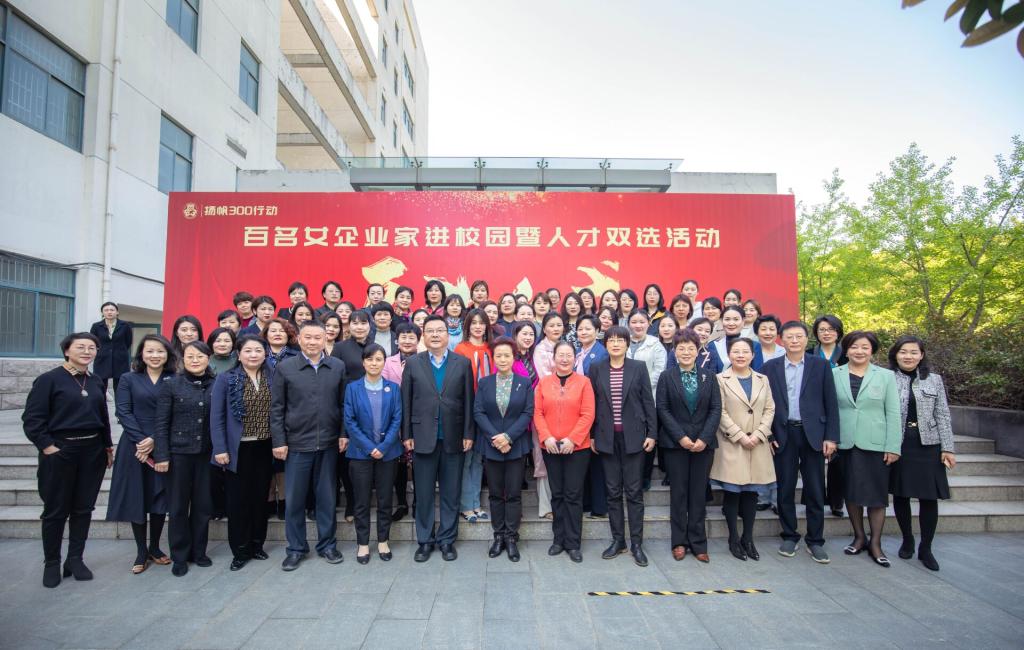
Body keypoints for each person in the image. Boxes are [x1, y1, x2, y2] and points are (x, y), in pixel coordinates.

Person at [23, 332, 113, 588]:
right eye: (81, 347)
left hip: (92, 450)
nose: (87, 351)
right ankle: (52, 562)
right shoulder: (49, 380)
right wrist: (48, 447)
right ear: (66, 351)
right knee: (55, 510)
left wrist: (107, 446)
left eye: (92, 348)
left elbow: (103, 416)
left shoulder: (95, 381)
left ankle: (75, 559)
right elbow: (32, 419)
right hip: (61, 451)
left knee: (83, 508)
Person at [271, 321, 349, 571]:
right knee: (294, 500)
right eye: (308, 337)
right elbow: (277, 408)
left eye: (318, 337)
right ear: (299, 339)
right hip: (296, 445)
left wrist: (343, 434)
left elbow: (343, 404)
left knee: (327, 498)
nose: (313, 342)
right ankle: (296, 548)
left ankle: (327, 545)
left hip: (328, 443)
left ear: (325, 339)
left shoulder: (336, 366)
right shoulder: (286, 367)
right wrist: (279, 441)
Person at [762, 321, 840, 564]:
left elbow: (831, 402)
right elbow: (764, 404)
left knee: (815, 489)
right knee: (785, 488)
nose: (794, 341)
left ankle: (815, 540)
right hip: (783, 434)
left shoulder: (820, 366)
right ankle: (789, 535)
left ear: (807, 339)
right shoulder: (770, 367)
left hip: (813, 435)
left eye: (799, 336)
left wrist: (831, 437)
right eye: (789, 337)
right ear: (782, 340)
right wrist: (769, 435)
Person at [401, 315, 475, 562]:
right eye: (430, 331)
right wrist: (407, 434)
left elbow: (468, 400)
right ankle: (425, 541)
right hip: (422, 437)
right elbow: (406, 400)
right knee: (423, 494)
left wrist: (468, 433)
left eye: (439, 330)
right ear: (423, 335)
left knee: (451, 493)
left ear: (447, 334)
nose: (435, 335)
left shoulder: (462, 363)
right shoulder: (413, 363)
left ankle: (446, 540)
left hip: (454, 437)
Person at [588, 326, 657, 567]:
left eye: (620, 340)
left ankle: (637, 543)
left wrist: (652, 433)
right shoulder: (596, 368)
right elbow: (593, 403)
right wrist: (592, 435)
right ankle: (618, 540)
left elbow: (648, 401)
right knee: (613, 491)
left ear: (628, 344)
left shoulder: (638, 368)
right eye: (611, 340)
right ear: (605, 344)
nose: (616, 344)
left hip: (634, 438)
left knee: (634, 493)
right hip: (606, 437)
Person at [107, 334, 175, 574]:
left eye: (160, 351)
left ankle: (155, 547)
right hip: (134, 446)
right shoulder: (128, 378)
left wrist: (155, 439)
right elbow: (123, 411)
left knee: (159, 496)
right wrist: (141, 441)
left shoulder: (174, 378)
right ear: (141, 354)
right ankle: (140, 550)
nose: (155, 355)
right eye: (150, 351)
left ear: (167, 354)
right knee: (137, 496)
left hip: (164, 443)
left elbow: (177, 412)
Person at [833, 330, 901, 568]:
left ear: (872, 350)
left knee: (876, 496)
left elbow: (893, 412)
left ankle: (876, 543)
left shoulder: (885, 376)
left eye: (864, 347)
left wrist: (893, 446)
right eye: (854, 347)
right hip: (845, 442)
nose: (859, 351)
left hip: (875, 444)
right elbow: (831, 409)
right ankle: (859, 537)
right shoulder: (834, 374)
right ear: (846, 350)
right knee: (851, 493)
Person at [888, 335, 956, 571]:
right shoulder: (887, 378)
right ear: (895, 354)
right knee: (901, 494)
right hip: (899, 442)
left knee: (929, 497)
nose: (908, 356)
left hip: (929, 443)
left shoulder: (933, 380)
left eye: (914, 352)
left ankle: (926, 547)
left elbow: (943, 414)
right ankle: (907, 539)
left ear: (921, 355)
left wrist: (948, 447)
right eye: (903, 352)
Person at [209, 334, 275, 571]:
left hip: (264, 445)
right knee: (237, 501)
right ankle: (240, 550)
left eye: (258, 350)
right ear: (239, 354)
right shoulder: (226, 379)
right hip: (237, 449)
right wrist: (220, 448)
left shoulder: (272, 376)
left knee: (260, 498)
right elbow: (216, 416)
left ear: (265, 354)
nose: (253, 355)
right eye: (248, 351)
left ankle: (257, 544)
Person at [657, 328, 722, 562]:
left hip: (703, 445)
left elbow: (716, 408)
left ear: (698, 351)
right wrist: (681, 437)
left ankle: (698, 543)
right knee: (679, 494)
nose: (686, 352)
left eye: (690, 348)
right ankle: (679, 542)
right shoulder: (667, 377)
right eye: (681, 348)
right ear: (674, 351)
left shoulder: (709, 376)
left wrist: (704, 438)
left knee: (698, 494)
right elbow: (662, 409)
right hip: (676, 445)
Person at [153, 341, 216, 576]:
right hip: (178, 454)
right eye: (190, 356)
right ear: (183, 359)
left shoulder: (216, 384)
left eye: (200, 356)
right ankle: (179, 555)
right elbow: (161, 423)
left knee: (203, 506)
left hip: (206, 454)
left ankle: (199, 552)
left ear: (208, 358)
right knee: (178, 507)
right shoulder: (171, 384)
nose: (195, 360)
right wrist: (162, 455)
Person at [710, 337, 776, 562]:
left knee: (751, 494)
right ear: (729, 355)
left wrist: (759, 434)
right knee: (733, 493)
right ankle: (733, 539)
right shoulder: (720, 379)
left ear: (753, 355)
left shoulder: (762, 379)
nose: (740, 355)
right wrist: (740, 436)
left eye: (745, 351)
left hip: (757, 444)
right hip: (732, 444)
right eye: (736, 351)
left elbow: (769, 409)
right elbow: (719, 411)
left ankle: (748, 538)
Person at [534, 341, 595, 563]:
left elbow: (588, 414)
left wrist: (573, 439)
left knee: (573, 495)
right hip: (550, 446)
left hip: (577, 448)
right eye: (561, 354)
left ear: (575, 358)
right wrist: (546, 436)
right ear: (554, 358)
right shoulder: (544, 383)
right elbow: (538, 413)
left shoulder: (584, 383)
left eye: (569, 355)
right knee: (557, 494)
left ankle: (573, 542)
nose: (564, 359)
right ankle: (558, 539)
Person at [474, 337, 535, 561]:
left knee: (513, 494)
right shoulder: (484, 382)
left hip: (515, 445)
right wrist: (495, 437)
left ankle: (511, 537)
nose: (502, 359)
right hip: (492, 446)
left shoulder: (524, 382)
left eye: (506, 355)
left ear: (513, 357)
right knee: (495, 494)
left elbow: (527, 412)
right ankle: (498, 535)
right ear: (493, 358)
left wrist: (508, 437)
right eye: (498, 355)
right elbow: (478, 412)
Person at [344, 344, 403, 564]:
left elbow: (397, 418)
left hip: (388, 453)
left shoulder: (393, 388)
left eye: (378, 359)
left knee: (385, 500)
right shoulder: (352, 388)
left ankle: (383, 541)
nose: (374, 363)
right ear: (363, 362)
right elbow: (349, 420)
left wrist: (384, 446)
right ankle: (362, 544)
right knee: (361, 501)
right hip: (360, 453)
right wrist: (370, 447)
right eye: (370, 359)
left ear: (384, 362)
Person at [454, 309, 495, 523]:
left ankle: (476, 503)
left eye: (482, 323)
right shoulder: (461, 349)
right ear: (467, 326)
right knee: (467, 458)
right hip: (468, 409)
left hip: (489, 411)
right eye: (474, 323)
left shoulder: (492, 348)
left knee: (479, 459)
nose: (478, 326)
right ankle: (466, 505)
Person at [382, 322, 421, 521]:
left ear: (418, 340)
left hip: (418, 418)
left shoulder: (424, 360)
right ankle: (402, 503)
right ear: (396, 340)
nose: (407, 341)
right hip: (395, 417)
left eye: (411, 337)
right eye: (403, 337)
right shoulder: (387, 362)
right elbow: (384, 387)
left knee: (418, 462)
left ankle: (418, 503)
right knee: (399, 462)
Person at [511, 321, 549, 520]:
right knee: (515, 463)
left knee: (534, 458)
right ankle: (514, 509)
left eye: (531, 334)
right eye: (524, 334)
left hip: (534, 416)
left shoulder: (534, 357)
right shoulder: (509, 357)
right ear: (515, 335)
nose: (528, 338)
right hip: (515, 417)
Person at [813, 314, 849, 518]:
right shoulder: (809, 354)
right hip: (814, 411)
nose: (826, 333)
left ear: (838, 332)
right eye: (822, 330)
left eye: (831, 329)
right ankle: (816, 500)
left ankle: (837, 501)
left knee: (838, 461)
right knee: (814, 461)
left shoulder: (847, 355)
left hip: (841, 409)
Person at [625, 310, 665, 491]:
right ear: (628, 324)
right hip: (626, 400)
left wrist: (640, 385)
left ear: (649, 323)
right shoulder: (623, 342)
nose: (638, 325)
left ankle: (646, 476)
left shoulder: (656, 344)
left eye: (642, 321)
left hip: (650, 398)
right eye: (634, 322)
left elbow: (660, 370)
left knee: (648, 438)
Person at [574, 316, 609, 520]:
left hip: (596, 411)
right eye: (580, 329)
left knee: (596, 461)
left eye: (588, 329)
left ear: (597, 331)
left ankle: (599, 505)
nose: (584, 332)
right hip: (579, 412)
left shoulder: (601, 353)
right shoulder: (579, 353)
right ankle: (587, 501)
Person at [261, 318, 296, 520]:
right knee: (266, 461)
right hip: (261, 414)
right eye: (272, 330)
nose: (277, 333)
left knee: (282, 462)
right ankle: (267, 500)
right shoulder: (258, 354)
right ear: (266, 334)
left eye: (281, 331)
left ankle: (283, 500)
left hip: (288, 413)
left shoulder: (296, 356)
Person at [90, 302, 133, 395]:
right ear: (102, 312)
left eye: (112, 310)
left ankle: (120, 405)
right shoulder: (96, 326)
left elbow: (128, 342)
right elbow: (92, 342)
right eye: (106, 310)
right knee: (100, 387)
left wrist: (119, 351)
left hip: (120, 360)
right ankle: (101, 405)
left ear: (117, 312)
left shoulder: (125, 325)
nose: (109, 312)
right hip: (102, 359)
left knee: (120, 388)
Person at [709, 306, 745, 370]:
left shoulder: (753, 345)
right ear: (721, 321)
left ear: (743, 321)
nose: (731, 323)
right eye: (727, 319)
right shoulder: (713, 345)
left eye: (736, 319)